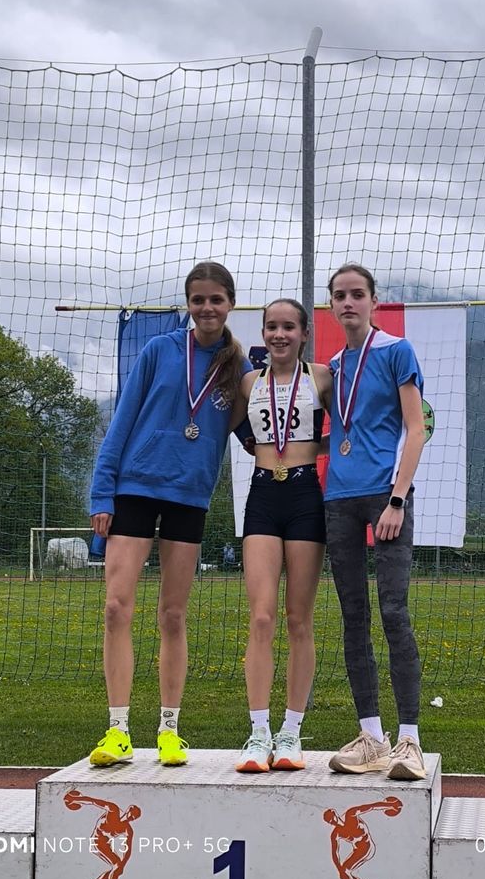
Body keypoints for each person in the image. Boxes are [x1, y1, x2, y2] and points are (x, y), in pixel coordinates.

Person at [88, 261, 251, 767]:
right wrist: (102, 494)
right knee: (116, 607)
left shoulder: (239, 368)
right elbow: (122, 421)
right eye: (198, 299)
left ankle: (169, 730)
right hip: (135, 489)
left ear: (230, 304)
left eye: (216, 299)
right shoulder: (160, 350)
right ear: (188, 304)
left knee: (174, 615)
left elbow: (256, 434)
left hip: (189, 496)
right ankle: (118, 730)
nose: (207, 308)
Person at [324, 263, 427, 781]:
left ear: (373, 300)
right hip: (339, 499)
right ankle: (372, 736)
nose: (348, 303)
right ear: (331, 304)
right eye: (340, 295)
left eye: (357, 294)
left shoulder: (395, 351)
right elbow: (340, 432)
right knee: (353, 617)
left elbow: (416, 428)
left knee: (393, 611)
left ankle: (410, 740)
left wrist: (398, 499)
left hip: (386, 498)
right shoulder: (332, 367)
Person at [234, 299, 332, 773]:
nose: (279, 334)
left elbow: (353, 424)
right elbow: (237, 429)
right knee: (261, 617)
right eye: (271, 326)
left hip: (305, 495)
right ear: (263, 333)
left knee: (299, 620)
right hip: (262, 496)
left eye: (288, 327)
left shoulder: (322, 378)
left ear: (304, 333)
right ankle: (259, 733)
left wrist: (316, 447)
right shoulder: (249, 383)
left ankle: (291, 732)